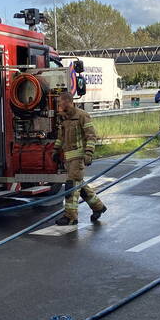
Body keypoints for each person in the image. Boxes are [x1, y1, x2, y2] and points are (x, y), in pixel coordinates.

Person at [53, 91, 107, 226]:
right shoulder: (64, 119)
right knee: (80, 186)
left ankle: (70, 217)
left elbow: (91, 136)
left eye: (62, 103)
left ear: (70, 102)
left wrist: (88, 153)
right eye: (60, 104)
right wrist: (55, 150)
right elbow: (61, 137)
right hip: (68, 159)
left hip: (78, 159)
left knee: (71, 186)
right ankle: (98, 207)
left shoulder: (82, 116)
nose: (60, 106)